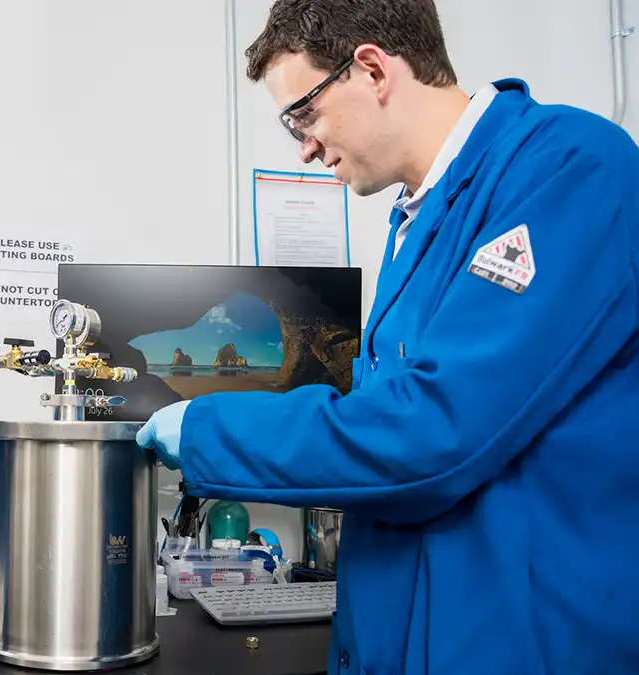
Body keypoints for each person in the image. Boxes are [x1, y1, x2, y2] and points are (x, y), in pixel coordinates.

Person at [137, 0, 639, 672]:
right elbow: (384, 430)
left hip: (516, 643)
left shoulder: (569, 168)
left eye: (303, 114)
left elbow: (431, 429)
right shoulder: (417, 218)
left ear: (372, 69)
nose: (305, 146)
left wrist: (208, 428)